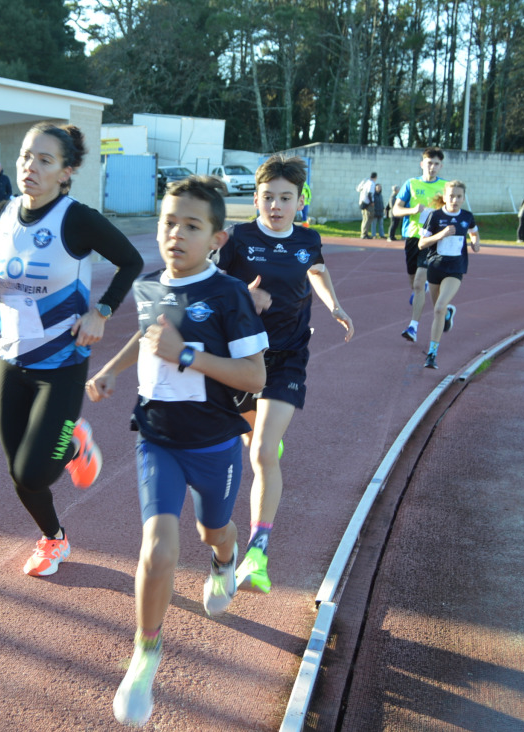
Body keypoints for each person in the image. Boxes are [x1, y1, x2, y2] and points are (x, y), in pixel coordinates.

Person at [85, 176, 269, 727]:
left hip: (215, 445)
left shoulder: (230, 295)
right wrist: (112, 370)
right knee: (157, 550)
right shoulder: (150, 285)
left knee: (214, 531)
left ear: (217, 238)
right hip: (158, 439)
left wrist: (186, 354)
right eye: (169, 222)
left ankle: (224, 561)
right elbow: (147, 337)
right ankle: (145, 654)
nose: (177, 234)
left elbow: (255, 377)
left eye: (192, 225)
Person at [0, 123, 144, 578]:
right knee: (18, 472)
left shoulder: (76, 219)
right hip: (11, 360)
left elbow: (130, 261)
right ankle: (55, 538)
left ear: (65, 172)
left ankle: (72, 446)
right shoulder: (1, 213)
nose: (30, 167)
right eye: (26, 156)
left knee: (35, 473)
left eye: (44, 160)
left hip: (63, 362)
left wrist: (102, 312)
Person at [214, 154, 354, 594]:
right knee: (254, 443)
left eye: (285, 197)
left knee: (261, 455)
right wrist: (243, 296)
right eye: (268, 197)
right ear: (256, 198)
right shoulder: (238, 238)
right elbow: (208, 285)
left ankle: (257, 552)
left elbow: (317, 269)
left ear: (299, 201)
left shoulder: (308, 239)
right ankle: (265, 438)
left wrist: (334, 305)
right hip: (240, 357)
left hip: (287, 357)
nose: (276, 205)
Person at [417, 180, 480, 370]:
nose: (455, 200)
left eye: (459, 196)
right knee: (439, 308)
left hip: (456, 269)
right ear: (444, 197)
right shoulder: (435, 216)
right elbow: (421, 243)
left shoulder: (467, 216)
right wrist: (441, 234)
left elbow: (474, 232)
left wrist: (475, 243)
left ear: (464, 198)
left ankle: (432, 354)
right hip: (435, 267)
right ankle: (448, 314)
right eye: (451, 196)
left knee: (438, 308)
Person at [391, 147, 447, 342]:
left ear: (441, 166)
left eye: (436, 164)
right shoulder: (411, 184)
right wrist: (412, 210)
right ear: (422, 164)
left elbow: (452, 212)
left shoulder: (445, 187)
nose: (432, 167)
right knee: (414, 285)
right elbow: (396, 210)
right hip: (412, 237)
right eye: (429, 163)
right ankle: (446, 310)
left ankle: (413, 327)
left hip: (432, 239)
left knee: (418, 284)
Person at [356, 172, 377, 239]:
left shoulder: (366, 182)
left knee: (365, 218)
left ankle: (364, 233)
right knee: (368, 218)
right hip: (368, 203)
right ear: (375, 177)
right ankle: (364, 233)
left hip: (362, 202)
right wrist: (372, 202)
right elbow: (370, 194)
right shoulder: (371, 183)